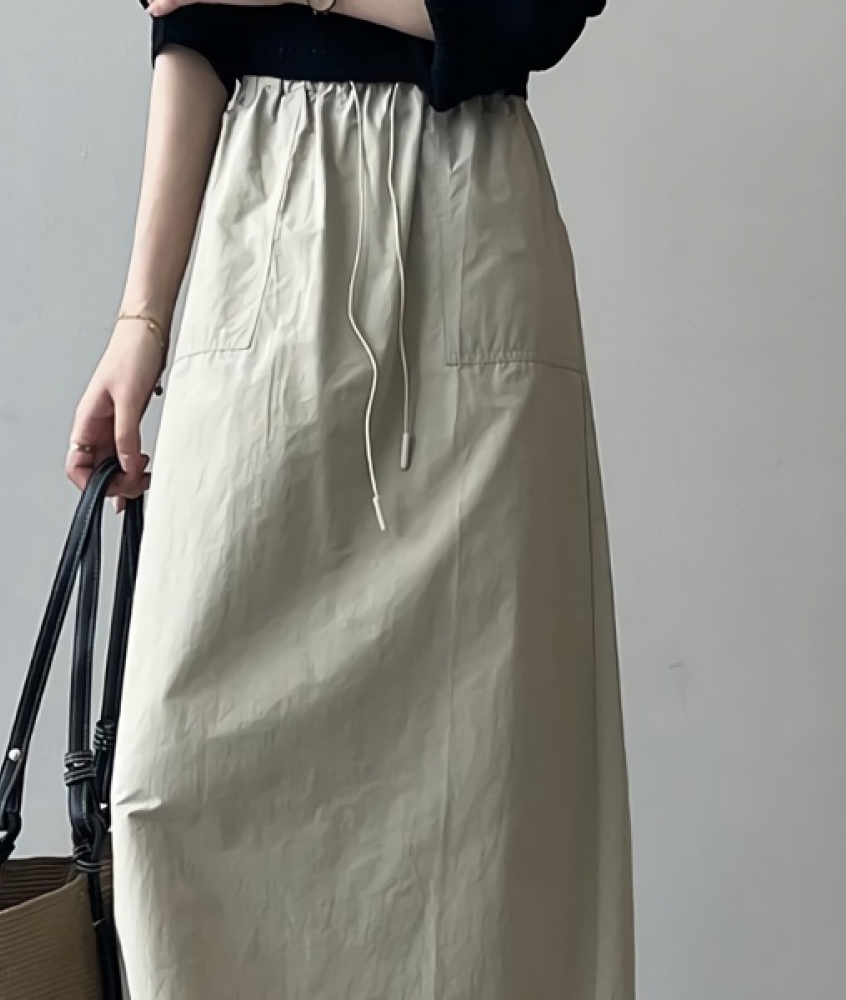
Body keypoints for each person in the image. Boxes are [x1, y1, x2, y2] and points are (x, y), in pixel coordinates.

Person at [66, 2, 633, 997]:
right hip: (263, 226)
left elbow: (531, 14)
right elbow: (191, 29)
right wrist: (139, 319)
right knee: (170, 781)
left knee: (483, 796)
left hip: (462, 220)